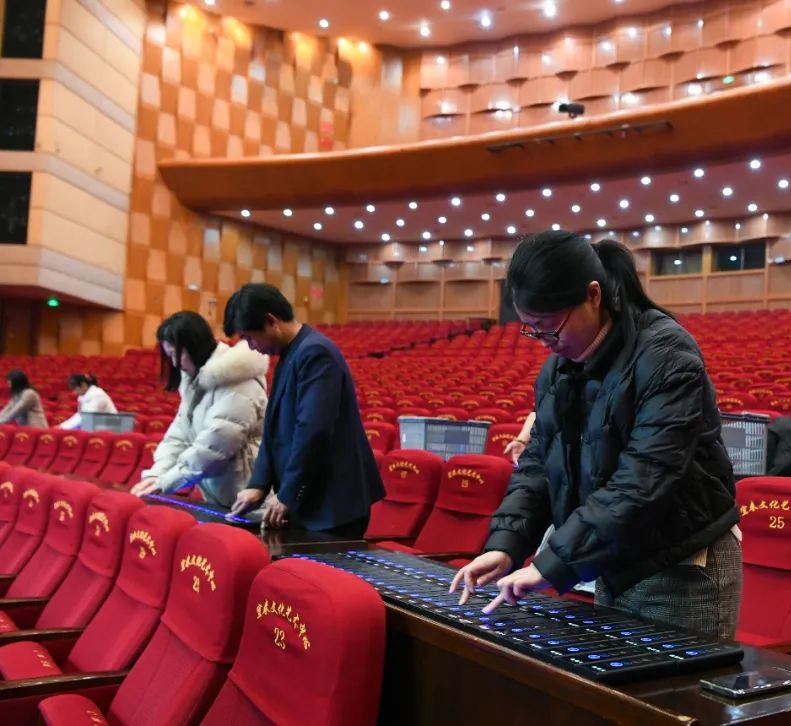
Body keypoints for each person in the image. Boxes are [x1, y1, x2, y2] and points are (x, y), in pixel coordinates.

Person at [450, 231, 741, 639]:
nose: (545, 344)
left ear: (593, 295)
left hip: (681, 571)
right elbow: (539, 464)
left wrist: (553, 563)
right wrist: (506, 544)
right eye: (532, 331)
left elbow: (644, 477)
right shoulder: (559, 368)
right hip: (612, 559)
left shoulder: (666, 355)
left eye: (549, 329)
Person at [225, 283, 384, 535]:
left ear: (271, 321)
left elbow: (313, 431)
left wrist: (288, 494)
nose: (251, 346)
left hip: (333, 506)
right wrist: (259, 484)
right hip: (310, 500)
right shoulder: (290, 354)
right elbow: (273, 429)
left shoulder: (316, 353)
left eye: (249, 337)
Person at [130, 311, 269, 509]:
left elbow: (213, 449)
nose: (175, 363)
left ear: (195, 346)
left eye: (177, 354)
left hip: (251, 500)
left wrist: (165, 482)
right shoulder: (196, 382)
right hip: (223, 498)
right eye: (170, 356)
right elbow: (179, 436)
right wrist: (156, 475)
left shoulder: (238, 382)